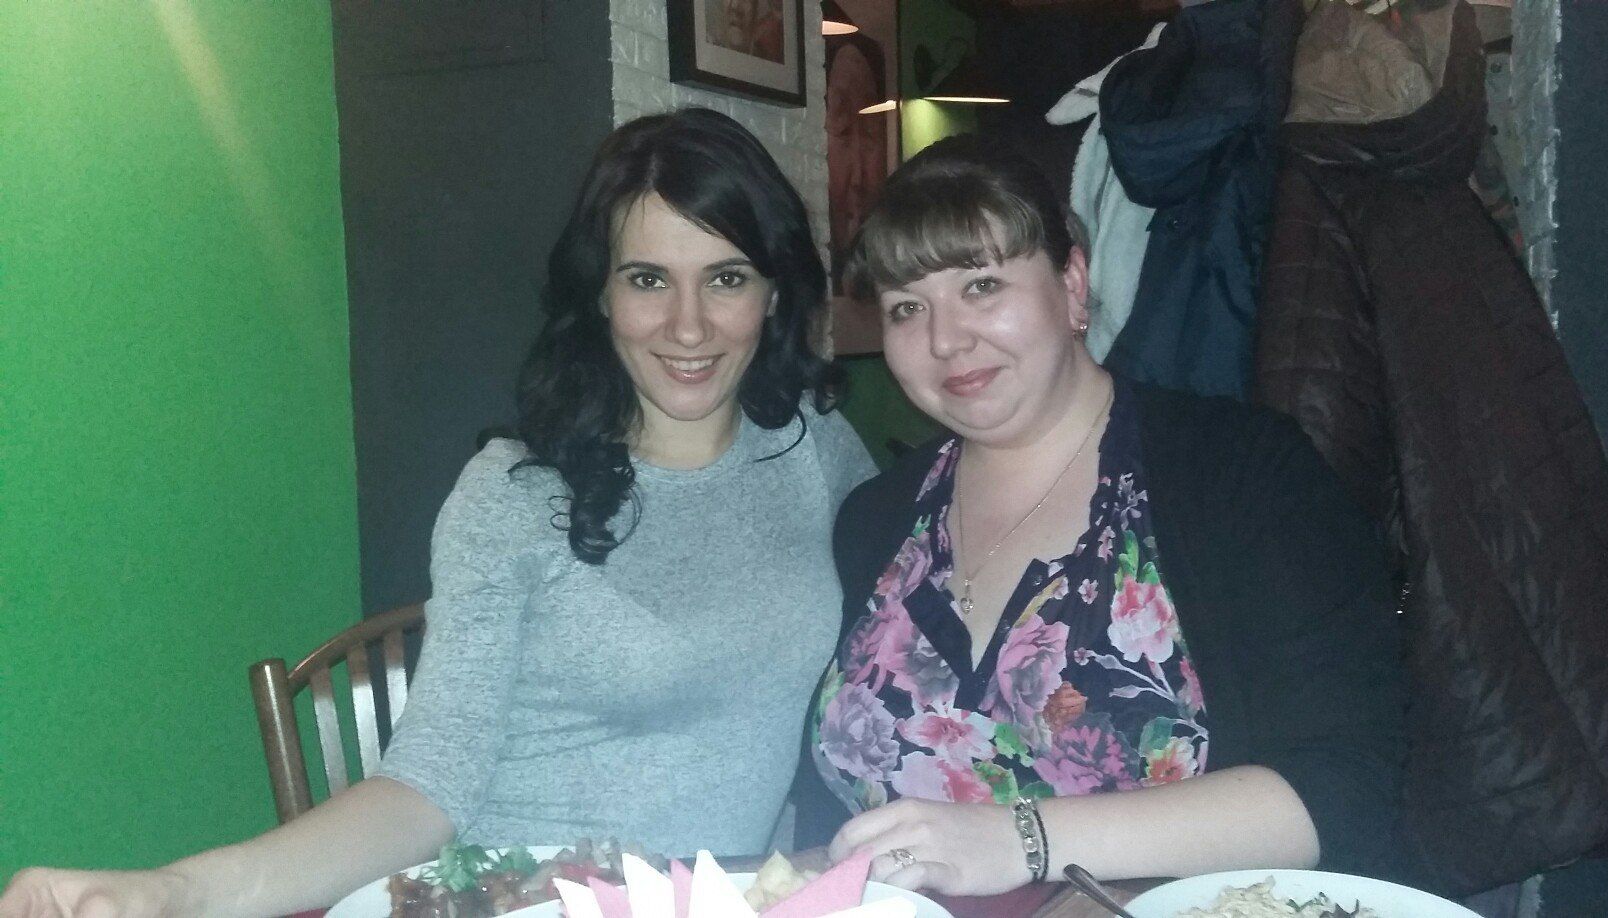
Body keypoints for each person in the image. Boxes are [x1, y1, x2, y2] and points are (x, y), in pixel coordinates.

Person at [0, 107, 875, 918]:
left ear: (774, 292)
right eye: (648, 279)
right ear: (601, 295)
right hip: (521, 903)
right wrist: (173, 893)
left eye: (726, 278)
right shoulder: (515, 495)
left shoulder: (818, 454)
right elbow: (426, 784)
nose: (688, 326)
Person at [797, 135, 1404, 896]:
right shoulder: (875, 519)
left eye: (982, 286)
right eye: (907, 308)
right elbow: (829, 809)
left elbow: (1346, 788)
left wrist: (1022, 839)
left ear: (1073, 284)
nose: (945, 339)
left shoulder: (1241, 473)